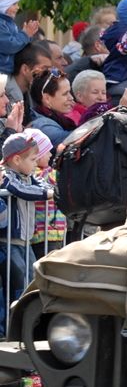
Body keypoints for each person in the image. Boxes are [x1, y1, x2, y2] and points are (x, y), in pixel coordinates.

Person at [1, 132, 52, 334]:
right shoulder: (7, 176)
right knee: (18, 279)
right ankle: (11, 325)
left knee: (30, 279)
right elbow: (20, 190)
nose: (35, 164)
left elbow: (41, 185)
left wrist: (49, 190)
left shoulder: (28, 175)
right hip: (9, 242)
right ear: (16, 159)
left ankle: (26, 324)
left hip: (25, 241)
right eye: (32, 160)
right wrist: (46, 194)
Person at [24, 128, 65, 258]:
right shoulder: (35, 174)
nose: (50, 155)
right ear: (38, 154)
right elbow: (50, 180)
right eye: (47, 151)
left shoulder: (47, 172)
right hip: (43, 234)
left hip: (55, 233)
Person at [27, 69, 77, 147]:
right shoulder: (42, 126)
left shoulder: (59, 118)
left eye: (70, 92)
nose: (71, 98)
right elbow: (71, 140)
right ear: (47, 98)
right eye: (65, 94)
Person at [0, 0, 39, 76]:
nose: (17, 7)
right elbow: (9, 45)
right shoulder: (1, 24)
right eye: (14, 4)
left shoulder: (7, 22)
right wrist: (25, 34)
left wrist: (28, 35)